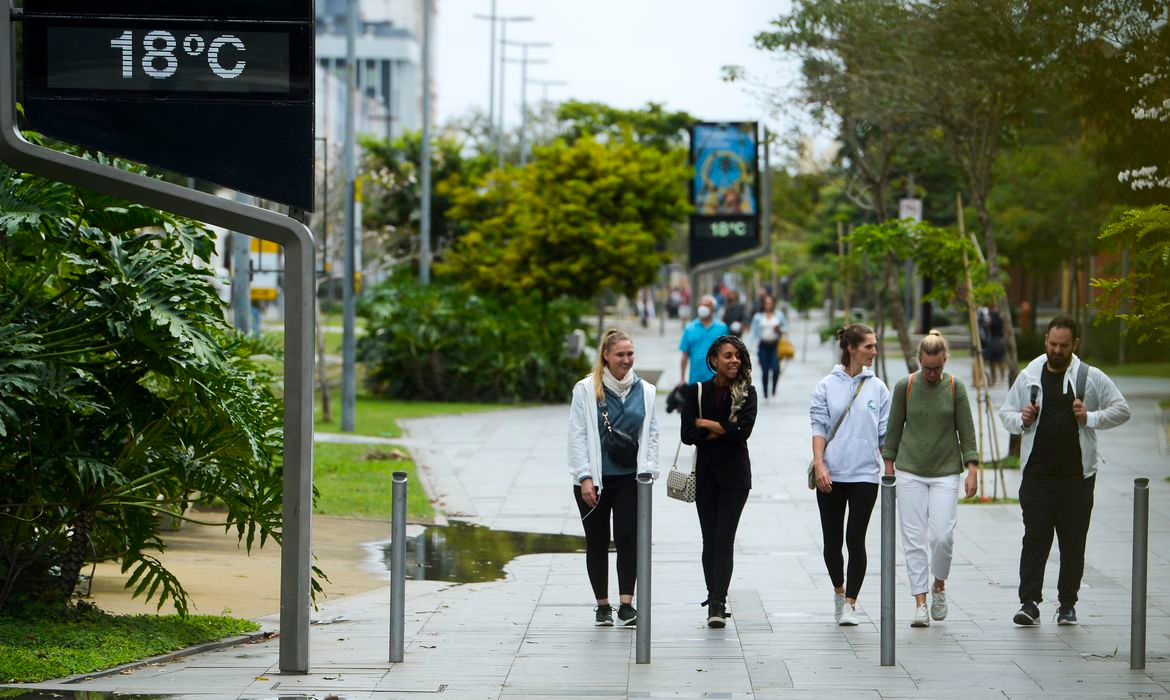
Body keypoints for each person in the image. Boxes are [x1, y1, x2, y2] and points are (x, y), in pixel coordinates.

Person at [999, 315, 1130, 626]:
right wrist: (1023, 420)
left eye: (1064, 346)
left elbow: (1122, 409)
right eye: (1052, 344)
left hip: (1077, 478)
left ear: (1075, 345)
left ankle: (1067, 604)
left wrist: (1091, 417)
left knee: (1073, 543)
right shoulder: (1029, 375)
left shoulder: (1089, 376)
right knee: (1035, 539)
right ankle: (1028, 603)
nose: (1057, 350)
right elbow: (1006, 413)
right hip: (1037, 476)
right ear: (1046, 340)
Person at [882, 330, 979, 628]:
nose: (933, 373)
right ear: (918, 362)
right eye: (927, 368)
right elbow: (894, 429)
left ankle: (939, 584)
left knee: (942, 536)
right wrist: (889, 467)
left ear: (945, 360)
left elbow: (967, 430)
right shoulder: (906, 386)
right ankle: (920, 602)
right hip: (910, 470)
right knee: (913, 540)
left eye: (937, 367)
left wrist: (972, 468)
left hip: (946, 471)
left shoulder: (955, 387)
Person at [568, 329, 660, 627]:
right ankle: (602, 605)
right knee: (597, 541)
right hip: (594, 479)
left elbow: (652, 433)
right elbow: (578, 435)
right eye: (620, 354)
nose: (626, 360)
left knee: (627, 538)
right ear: (606, 356)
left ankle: (626, 603)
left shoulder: (645, 390)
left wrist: (648, 471)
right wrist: (584, 477)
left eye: (630, 354)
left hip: (629, 479)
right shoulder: (585, 389)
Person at [809, 323, 890, 626]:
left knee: (855, 538)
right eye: (869, 346)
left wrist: (890, 469)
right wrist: (819, 464)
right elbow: (818, 426)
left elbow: (884, 434)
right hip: (831, 472)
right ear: (851, 348)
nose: (874, 351)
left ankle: (851, 604)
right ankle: (839, 591)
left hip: (865, 475)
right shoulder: (826, 386)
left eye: (875, 345)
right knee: (832, 542)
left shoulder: (878, 388)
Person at [681, 335, 757, 627]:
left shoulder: (747, 393)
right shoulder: (696, 392)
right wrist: (724, 428)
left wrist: (707, 424)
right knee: (709, 541)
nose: (734, 360)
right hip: (706, 477)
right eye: (728, 355)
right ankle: (713, 596)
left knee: (724, 539)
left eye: (737, 356)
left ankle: (717, 603)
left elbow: (742, 432)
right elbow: (687, 434)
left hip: (736, 478)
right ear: (713, 360)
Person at [678, 295, 729, 385]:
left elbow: (726, 352)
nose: (703, 307)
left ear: (713, 308)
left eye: (707, 305)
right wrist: (682, 378)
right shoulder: (690, 328)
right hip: (695, 379)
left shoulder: (722, 328)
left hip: (717, 379)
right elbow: (684, 355)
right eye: (701, 305)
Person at [749, 295, 789, 401]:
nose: (768, 305)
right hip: (763, 346)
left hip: (775, 345)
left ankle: (774, 391)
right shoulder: (758, 317)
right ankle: (766, 393)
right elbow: (753, 332)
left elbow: (786, 327)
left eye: (770, 303)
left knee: (776, 369)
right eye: (766, 303)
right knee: (765, 370)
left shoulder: (779, 315)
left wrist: (779, 329)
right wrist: (748, 347)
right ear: (763, 304)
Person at [982, 301, 1006, 387]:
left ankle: (1001, 379)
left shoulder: (997, 316)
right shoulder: (991, 316)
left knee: (999, 360)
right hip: (992, 340)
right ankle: (994, 379)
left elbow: (992, 324)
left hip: (998, 339)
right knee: (992, 361)